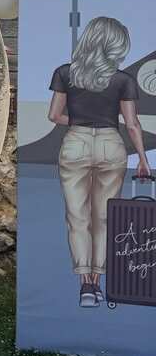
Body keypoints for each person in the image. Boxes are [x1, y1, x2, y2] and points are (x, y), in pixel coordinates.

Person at [48, 16, 151, 308]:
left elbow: (54, 116)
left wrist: (80, 122)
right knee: (104, 218)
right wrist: (143, 159)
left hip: (76, 142)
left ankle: (85, 286)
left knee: (77, 217)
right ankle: (97, 282)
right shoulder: (123, 80)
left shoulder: (64, 73)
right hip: (110, 143)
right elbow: (132, 125)